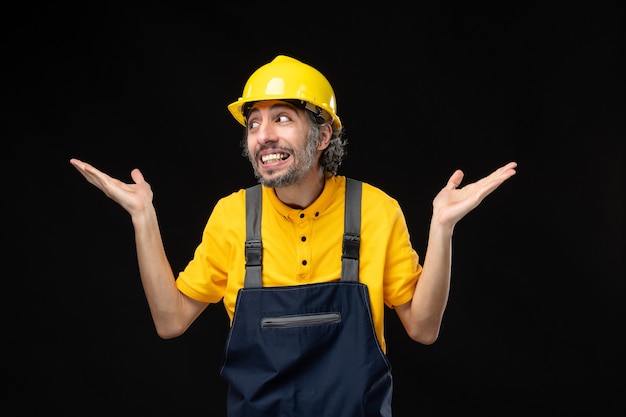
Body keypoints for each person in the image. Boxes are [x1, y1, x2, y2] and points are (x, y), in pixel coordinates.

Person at [70, 55, 517, 417]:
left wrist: (442, 228)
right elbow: (171, 322)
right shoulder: (232, 216)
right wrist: (143, 217)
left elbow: (422, 328)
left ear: (323, 135)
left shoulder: (375, 210)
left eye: (282, 118)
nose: (263, 136)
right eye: (253, 124)